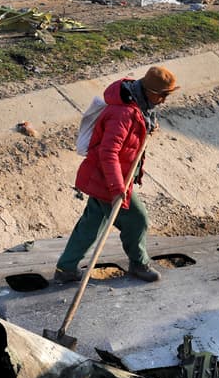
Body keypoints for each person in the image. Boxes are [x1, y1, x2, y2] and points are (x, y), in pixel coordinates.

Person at [53, 66, 179, 285]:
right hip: (107, 179)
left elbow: (133, 134)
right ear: (149, 91)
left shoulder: (138, 106)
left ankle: (66, 269)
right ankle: (138, 264)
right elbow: (108, 152)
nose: (164, 101)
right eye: (163, 95)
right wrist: (116, 189)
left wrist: (148, 129)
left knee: (91, 224)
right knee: (138, 220)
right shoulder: (123, 114)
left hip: (108, 177)